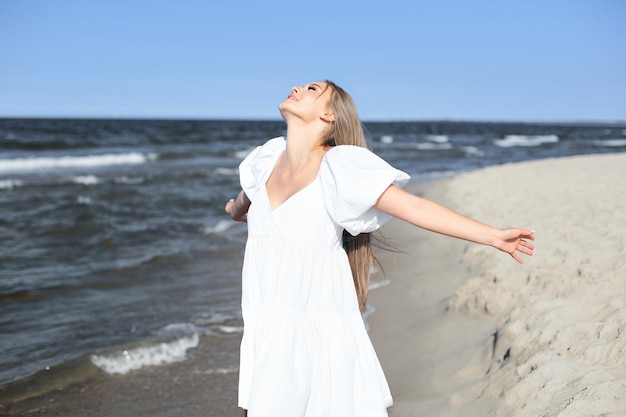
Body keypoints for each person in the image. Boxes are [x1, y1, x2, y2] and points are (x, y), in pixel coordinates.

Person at [225, 80, 535, 417]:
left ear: (329, 115)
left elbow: (414, 208)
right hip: (268, 323)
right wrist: (238, 212)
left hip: (317, 327)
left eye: (312, 89)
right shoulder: (266, 161)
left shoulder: (338, 167)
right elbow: (243, 203)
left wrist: (491, 236)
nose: (297, 87)